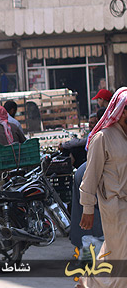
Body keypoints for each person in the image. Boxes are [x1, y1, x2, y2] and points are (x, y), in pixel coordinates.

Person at [78, 87, 127, 288]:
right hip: (115, 208)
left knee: (114, 253)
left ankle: (87, 281)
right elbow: (89, 179)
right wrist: (88, 209)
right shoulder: (103, 138)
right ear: (123, 111)